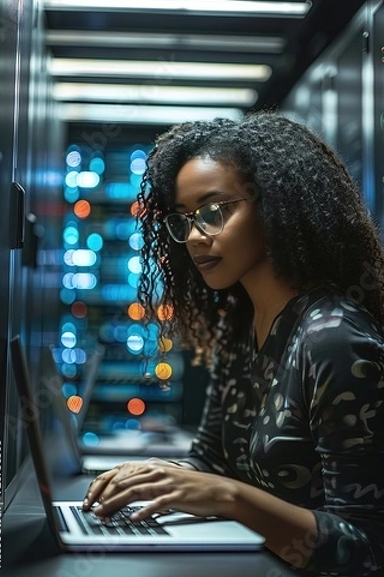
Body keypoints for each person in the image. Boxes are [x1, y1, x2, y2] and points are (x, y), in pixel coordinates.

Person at [82, 112, 384, 576]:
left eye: (213, 211)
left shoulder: (333, 338)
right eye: (184, 220)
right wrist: (154, 475)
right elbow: (212, 458)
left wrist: (232, 497)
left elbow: (365, 551)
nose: (196, 238)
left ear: (276, 204)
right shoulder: (238, 323)